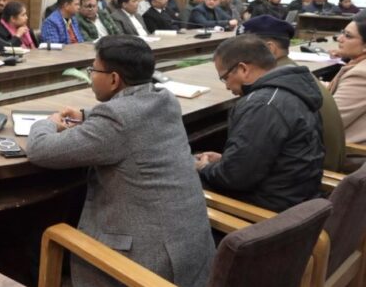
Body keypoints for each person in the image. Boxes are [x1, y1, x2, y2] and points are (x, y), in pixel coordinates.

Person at [27, 36, 215, 287]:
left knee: (40, 236)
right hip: (191, 253)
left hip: (148, 267)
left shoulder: (116, 119)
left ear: (114, 79)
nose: (91, 76)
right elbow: (131, 117)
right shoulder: (166, 99)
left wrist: (47, 123)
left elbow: (40, 150)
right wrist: (86, 116)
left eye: (93, 70)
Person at [196, 35, 324, 212]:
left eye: (225, 78)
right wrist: (225, 160)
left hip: (271, 212)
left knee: (184, 179)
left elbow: (234, 178)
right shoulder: (291, 89)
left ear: (243, 69)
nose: (226, 86)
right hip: (298, 197)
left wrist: (205, 168)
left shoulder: (262, 105)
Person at [239, 15, 345, 171]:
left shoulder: (274, 90)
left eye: (241, 49)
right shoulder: (293, 75)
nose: (236, 56)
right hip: (315, 164)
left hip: (317, 175)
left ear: (269, 49)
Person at [328, 19, 366, 144]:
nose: (339, 39)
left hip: (347, 150)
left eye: (348, 36)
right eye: (342, 32)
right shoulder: (358, 63)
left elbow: (329, 121)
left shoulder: (361, 75)